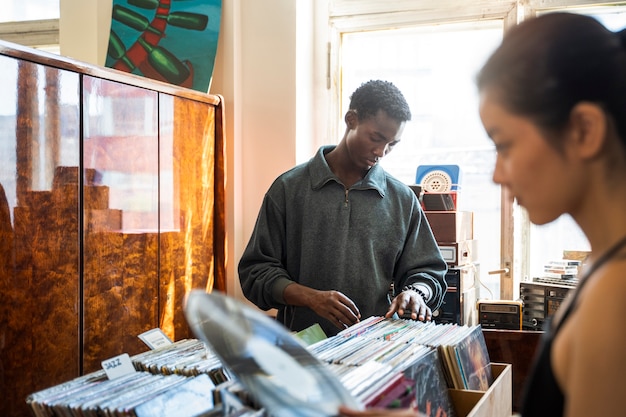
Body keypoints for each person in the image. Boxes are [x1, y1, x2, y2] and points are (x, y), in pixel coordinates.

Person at [342, 11, 626, 417]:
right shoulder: (603, 269)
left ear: (584, 130)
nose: (496, 174)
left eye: (505, 144)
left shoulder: (615, 301)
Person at [238, 79, 448, 337]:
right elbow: (255, 272)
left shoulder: (402, 199)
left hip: (376, 352)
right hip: (304, 351)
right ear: (351, 120)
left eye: (392, 144)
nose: (381, 151)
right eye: (376, 138)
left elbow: (428, 272)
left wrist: (415, 293)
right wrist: (310, 298)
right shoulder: (288, 189)